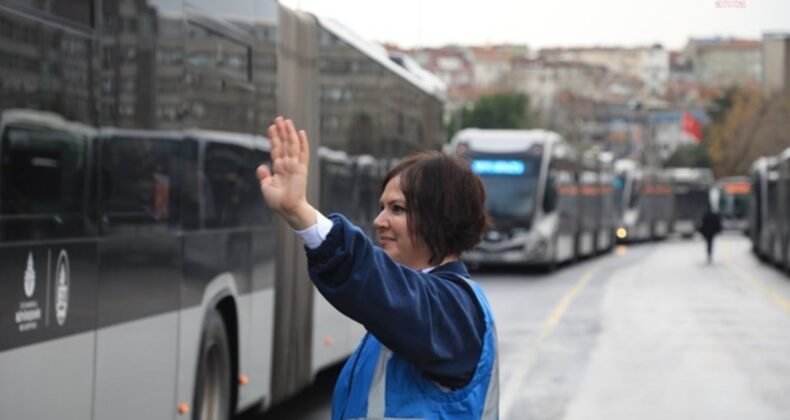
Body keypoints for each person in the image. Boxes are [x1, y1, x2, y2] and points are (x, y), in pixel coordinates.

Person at [256, 117, 499, 419]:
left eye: (397, 209)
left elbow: (371, 278)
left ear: (441, 217)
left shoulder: (454, 309)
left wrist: (300, 213)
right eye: (382, 207)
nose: (378, 221)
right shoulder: (418, 304)